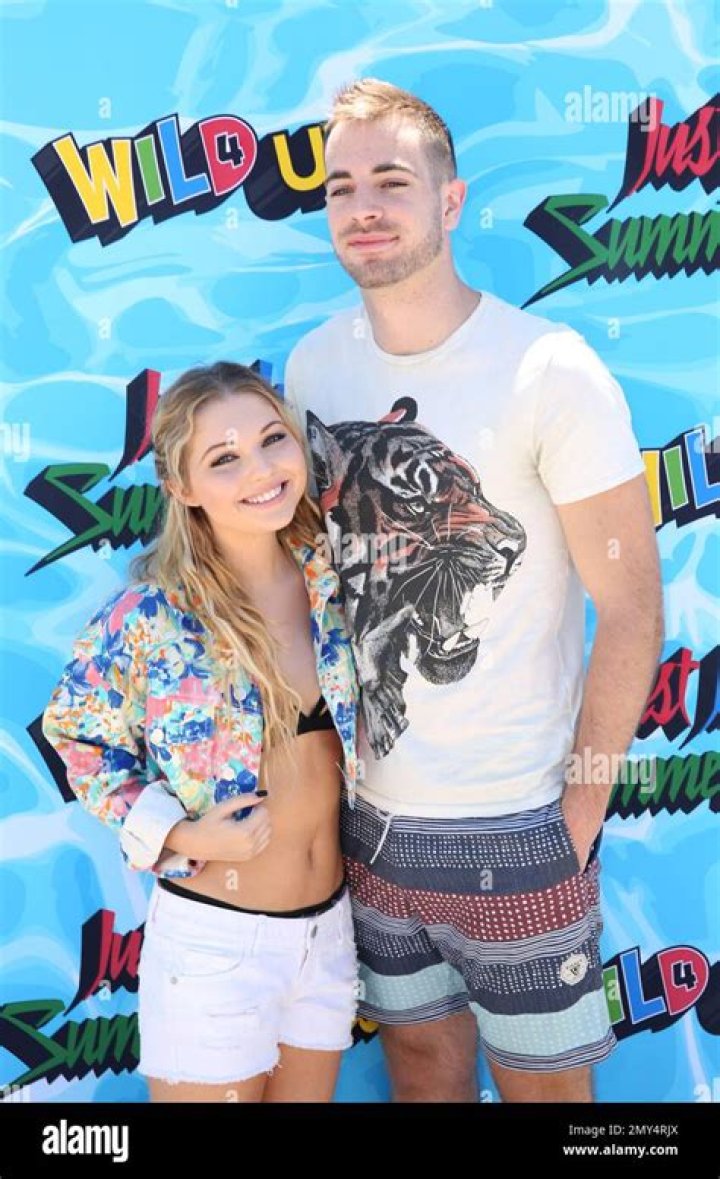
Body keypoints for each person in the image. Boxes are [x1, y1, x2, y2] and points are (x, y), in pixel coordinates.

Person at [284, 79, 664, 1103]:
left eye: (392, 181)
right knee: (420, 1074)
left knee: (550, 1096)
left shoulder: (548, 369)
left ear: (451, 201)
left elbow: (633, 608)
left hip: (520, 824)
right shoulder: (313, 373)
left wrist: (573, 823)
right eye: (341, 187)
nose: (363, 207)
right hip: (372, 827)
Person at [43, 362, 361, 1103]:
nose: (261, 470)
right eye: (224, 458)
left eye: (272, 439)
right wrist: (180, 835)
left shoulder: (331, 578)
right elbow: (77, 738)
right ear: (182, 486)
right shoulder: (154, 614)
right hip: (219, 943)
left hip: (329, 935)